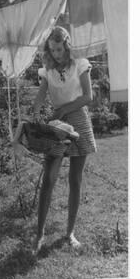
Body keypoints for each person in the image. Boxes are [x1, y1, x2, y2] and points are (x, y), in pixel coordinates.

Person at [32, 26, 96, 253]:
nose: (56, 54)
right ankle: (39, 234)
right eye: (52, 49)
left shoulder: (80, 63)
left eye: (59, 49)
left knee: (75, 180)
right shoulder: (47, 70)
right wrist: (36, 114)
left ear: (66, 45)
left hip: (78, 119)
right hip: (57, 125)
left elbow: (88, 96)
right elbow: (40, 98)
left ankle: (70, 233)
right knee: (48, 179)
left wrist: (64, 110)